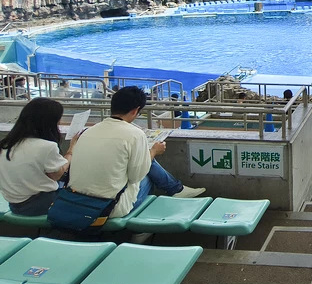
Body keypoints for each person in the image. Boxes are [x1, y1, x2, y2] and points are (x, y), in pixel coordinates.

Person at [69, 86, 205, 219]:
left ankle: (176, 189)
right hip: (108, 207)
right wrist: (153, 152)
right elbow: (136, 176)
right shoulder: (134, 134)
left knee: (141, 164)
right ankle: (144, 226)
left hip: (74, 201)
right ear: (135, 111)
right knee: (148, 176)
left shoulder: (88, 132)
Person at [0, 98, 77, 215]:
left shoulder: (6, 144)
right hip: (38, 204)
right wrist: (71, 150)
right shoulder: (46, 147)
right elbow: (56, 175)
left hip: (14, 204)